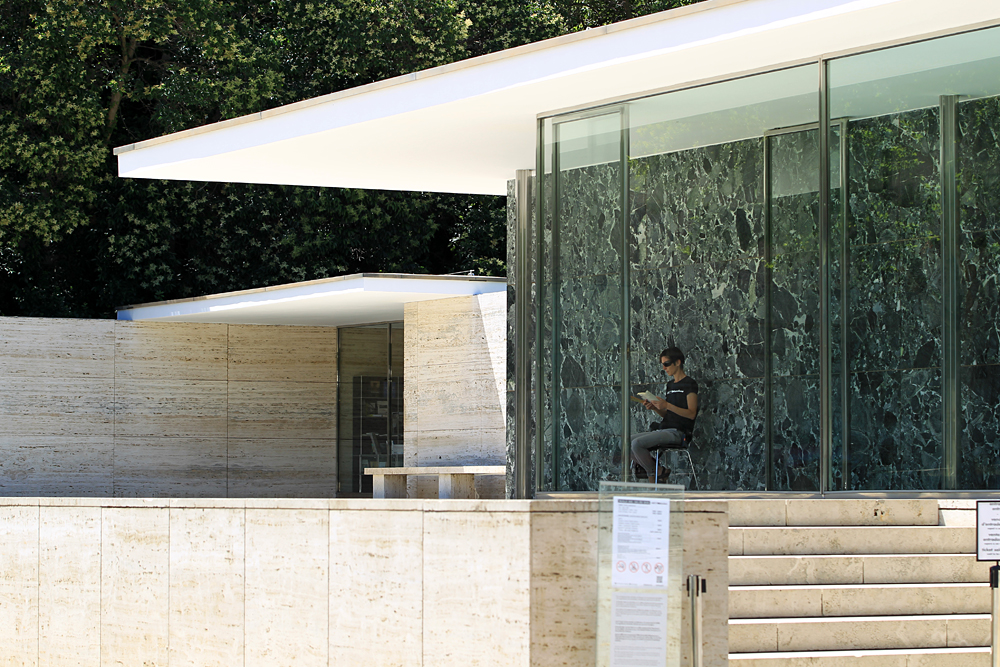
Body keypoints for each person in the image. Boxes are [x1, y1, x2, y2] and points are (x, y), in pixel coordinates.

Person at [630, 347, 699, 483]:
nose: (664, 368)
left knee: (637, 444)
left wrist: (667, 405)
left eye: (666, 364)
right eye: (662, 364)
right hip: (665, 428)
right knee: (625, 442)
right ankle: (658, 470)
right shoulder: (670, 385)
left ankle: (654, 473)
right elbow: (668, 414)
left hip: (679, 432)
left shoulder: (690, 384)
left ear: (678, 362)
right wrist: (655, 408)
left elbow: (691, 413)